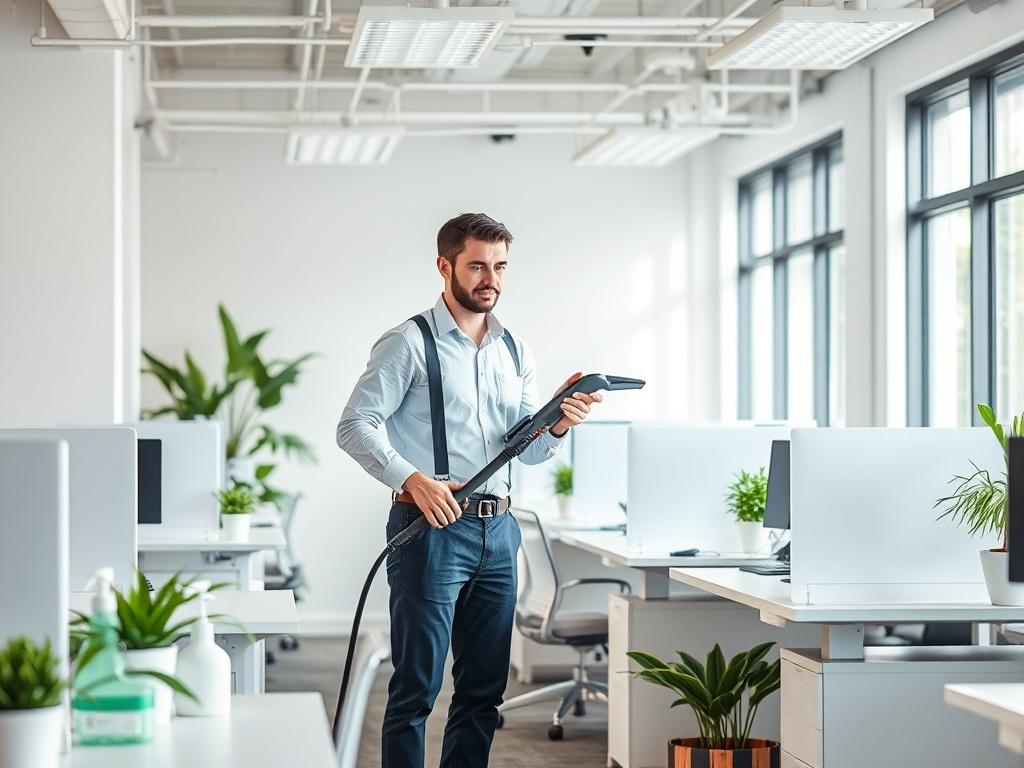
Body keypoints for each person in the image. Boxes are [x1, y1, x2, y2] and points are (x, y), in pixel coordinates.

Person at [336, 212, 602, 768]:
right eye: (478, 265)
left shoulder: (514, 350)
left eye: (500, 266)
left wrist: (556, 422)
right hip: (430, 532)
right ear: (445, 266)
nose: (491, 279)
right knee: (416, 689)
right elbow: (354, 425)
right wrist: (410, 478)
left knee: (483, 691)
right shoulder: (408, 342)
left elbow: (523, 448)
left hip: (499, 533)